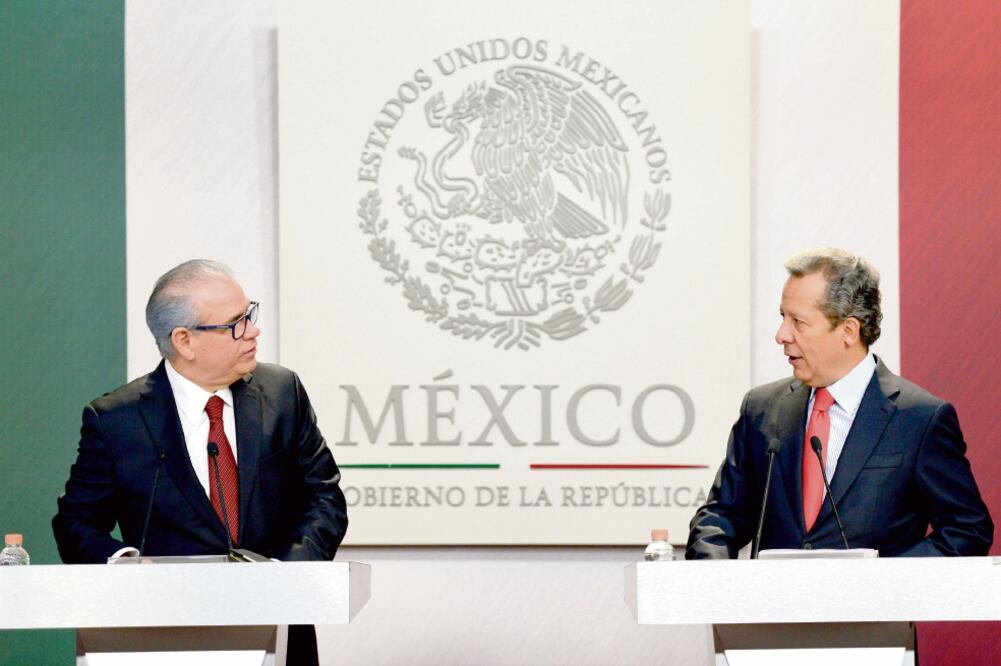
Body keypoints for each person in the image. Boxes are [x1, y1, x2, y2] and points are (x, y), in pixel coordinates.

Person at [53, 259, 347, 664]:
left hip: (278, 628)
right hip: (163, 632)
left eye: (250, 315)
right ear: (184, 340)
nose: (253, 331)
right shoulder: (117, 419)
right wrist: (125, 564)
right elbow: (75, 522)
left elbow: (324, 497)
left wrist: (287, 576)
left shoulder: (282, 393)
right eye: (235, 324)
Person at [687, 247, 992, 558]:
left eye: (798, 322)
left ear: (848, 331)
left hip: (875, 606)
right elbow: (720, 517)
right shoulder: (762, 409)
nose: (781, 335)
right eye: (783, 317)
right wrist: (714, 577)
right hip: (774, 606)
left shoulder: (920, 418)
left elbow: (966, 529)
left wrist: (885, 584)